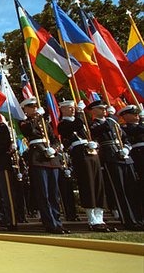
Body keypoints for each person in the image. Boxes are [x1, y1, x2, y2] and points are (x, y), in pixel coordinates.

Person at [88, 100, 142, 230]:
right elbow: (100, 130)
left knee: (132, 189)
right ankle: (128, 220)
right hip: (111, 157)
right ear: (94, 111)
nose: (104, 110)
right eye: (100, 108)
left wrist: (127, 148)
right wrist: (111, 118)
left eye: (104, 108)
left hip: (124, 157)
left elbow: (125, 138)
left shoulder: (113, 122)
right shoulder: (94, 124)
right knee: (121, 190)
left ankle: (138, 219)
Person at [57, 100, 111, 232]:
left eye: (74, 108)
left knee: (98, 184)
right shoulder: (63, 124)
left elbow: (103, 128)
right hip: (80, 153)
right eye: (70, 108)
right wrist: (81, 113)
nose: (73, 110)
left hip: (91, 152)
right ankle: (92, 219)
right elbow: (76, 125)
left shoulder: (82, 122)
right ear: (63, 109)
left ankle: (100, 218)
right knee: (88, 184)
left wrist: (95, 143)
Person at [19, 97, 69, 234]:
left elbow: (54, 138)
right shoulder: (24, 122)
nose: (35, 109)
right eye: (32, 107)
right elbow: (28, 131)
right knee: (44, 193)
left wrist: (54, 148)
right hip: (38, 158)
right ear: (26, 109)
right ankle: (50, 223)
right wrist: (37, 118)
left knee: (54, 193)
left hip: (51, 159)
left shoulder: (45, 123)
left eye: (36, 106)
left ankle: (57, 222)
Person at [119, 105, 144, 225]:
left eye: (137, 114)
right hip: (138, 156)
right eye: (133, 114)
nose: (137, 116)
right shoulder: (125, 127)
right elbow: (138, 130)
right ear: (125, 116)